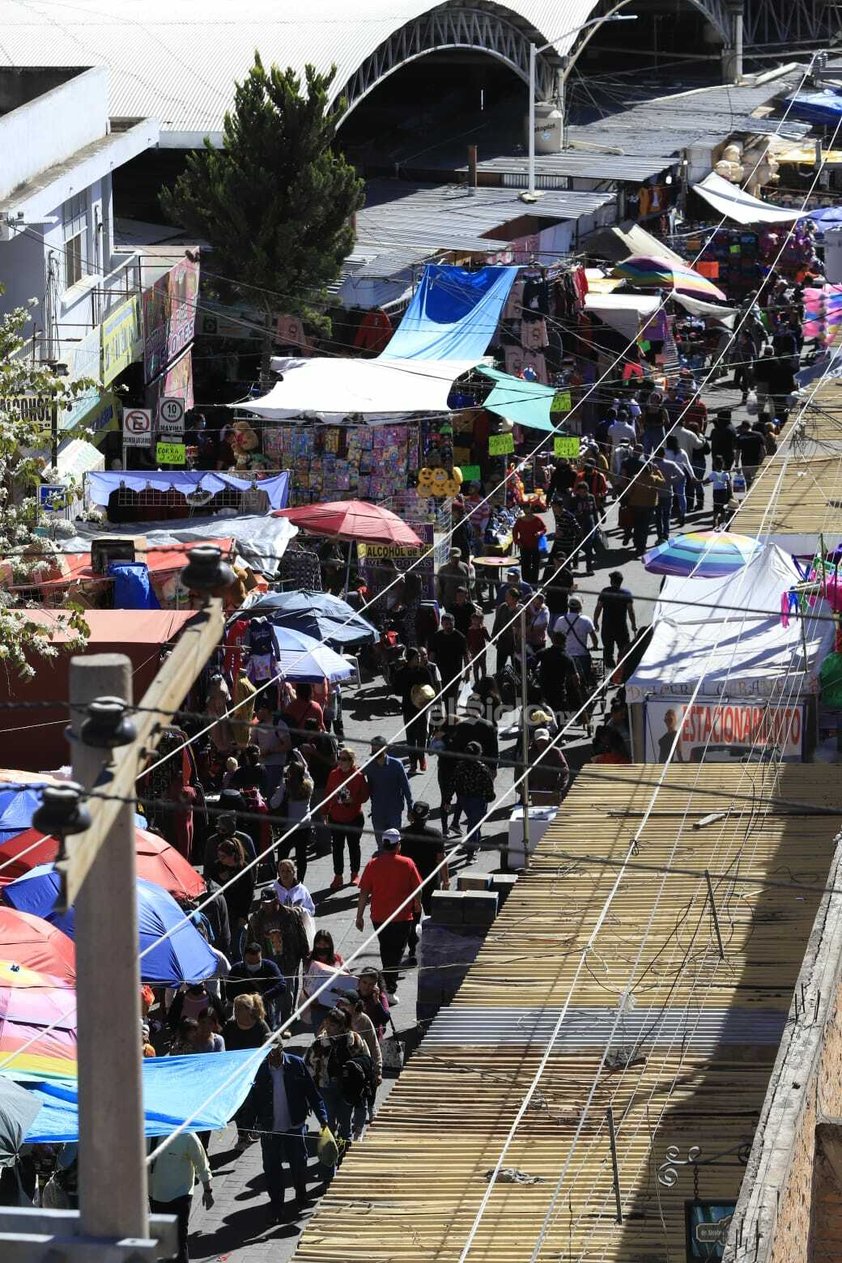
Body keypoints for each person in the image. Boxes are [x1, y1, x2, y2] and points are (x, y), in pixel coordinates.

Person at [253, 1043, 328, 1224]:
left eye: (276, 1052)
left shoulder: (296, 1064)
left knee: (299, 1163)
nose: (274, 1057)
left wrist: (322, 1117)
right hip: (270, 1128)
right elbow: (251, 1098)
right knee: (272, 1169)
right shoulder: (259, 1070)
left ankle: (301, 1194)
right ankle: (276, 1206)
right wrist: (249, 1124)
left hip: (295, 1125)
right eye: (269, 1053)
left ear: (281, 1049)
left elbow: (311, 1092)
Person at [356, 829, 422, 998]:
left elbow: (364, 892)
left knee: (386, 950)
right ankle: (389, 988)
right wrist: (417, 904)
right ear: (398, 845)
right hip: (402, 917)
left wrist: (359, 916)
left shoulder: (372, 864)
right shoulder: (408, 863)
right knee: (397, 951)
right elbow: (417, 888)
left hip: (379, 917)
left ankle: (387, 983)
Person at [304, 1008, 371, 1151]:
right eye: (326, 1024)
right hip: (326, 1088)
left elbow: (366, 1060)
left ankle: (343, 1151)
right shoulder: (319, 1043)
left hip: (348, 1089)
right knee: (328, 1122)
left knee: (345, 1121)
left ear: (342, 1026)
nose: (327, 1028)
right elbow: (309, 1065)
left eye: (332, 1025)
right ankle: (330, 1151)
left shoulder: (355, 1040)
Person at [148, 1131, 213, 1263]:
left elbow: (202, 1165)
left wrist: (208, 1191)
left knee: (179, 1240)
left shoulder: (187, 1136)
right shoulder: (148, 1132)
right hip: (154, 1194)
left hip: (180, 1196)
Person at [223, 993, 272, 1151]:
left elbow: (268, 1047)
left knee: (252, 1104)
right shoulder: (230, 1026)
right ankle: (243, 1135)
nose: (235, 1012)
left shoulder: (260, 1026)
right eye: (234, 1008)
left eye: (239, 1009)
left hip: (254, 1073)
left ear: (249, 1010)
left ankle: (251, 1128)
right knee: (240, 1105)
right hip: (235, 1072)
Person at [400, 800, 448, 957]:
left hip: (409, 883)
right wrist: (446, 880)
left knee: (413, 918)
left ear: (412, 816)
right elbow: (441, 859)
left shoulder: (403, 834)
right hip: (430, 881)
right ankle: (432, 946)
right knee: (431, 916)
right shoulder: (435, 834)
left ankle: (413, 950)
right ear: (427, 817)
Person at [324, 747, 370, 890]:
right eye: (339, 758)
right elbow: (328, 794)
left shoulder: (358, 776)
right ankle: (338, 876)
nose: (340, 762)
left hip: (353, 818)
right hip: (336, 817)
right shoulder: (333, 774)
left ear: (351, 761)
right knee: (337, 848)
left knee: (353, 847)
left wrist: (353, 800)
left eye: (344, 759)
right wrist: (324, 812)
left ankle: (354, 874)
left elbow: (365, 796)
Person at [209, 837, 254, 956]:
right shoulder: (217, 867)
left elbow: (248, 894)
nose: (220, 859)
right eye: (219, 856)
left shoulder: (244, 869)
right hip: (222, 912)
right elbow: (210, 887)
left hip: (237, 912)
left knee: (236, 945)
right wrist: (221, 881)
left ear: (233, 855)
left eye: (223, 856)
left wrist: (243, 915)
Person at [365, 735, 413, 848]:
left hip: (394, 810)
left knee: (394, 842)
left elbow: (406, 787)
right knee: (381, 844)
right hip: (377, 811)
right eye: (373, 748)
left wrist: (410, 808)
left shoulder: (396, 765)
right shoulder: (370, 766)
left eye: (377, 749)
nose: (375, 751)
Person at [393, 647, 435, 774]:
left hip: (421, 707)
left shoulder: (423, 671)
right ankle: (412, 762)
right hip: (408, 707)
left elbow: (431, 688)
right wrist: (411, 691)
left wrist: (423, 695)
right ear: (410, 659)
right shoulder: (401, 673)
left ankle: (421, 758)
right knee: (410, 736)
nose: (419, 659)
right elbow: (397, 690)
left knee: (422, 734)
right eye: (417, 657)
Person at [270, 759, 313, 880]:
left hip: (287, 827)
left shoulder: (285, 786)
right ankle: (300, 881)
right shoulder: (309, 785)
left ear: (289, 773)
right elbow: (307, 774)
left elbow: (274, 804)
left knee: (283, 856)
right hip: (304, 826)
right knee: (301, 856)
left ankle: (283, 881)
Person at [452, 740, 495, 860]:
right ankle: (471, 852)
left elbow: (454, 781)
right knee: (473, 824)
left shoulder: (460, 766)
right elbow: (488, 785)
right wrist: (490, 796)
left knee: (474, 822)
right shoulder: (481, 768)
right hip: (478, 799)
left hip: (464, 798)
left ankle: (476, 843)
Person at [227, 942, 287, 1024]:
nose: (254, 964)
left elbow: (282, 984)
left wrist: (264, 997)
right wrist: (246, 999)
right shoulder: (236, 970)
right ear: (245, 958)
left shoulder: (270, 966)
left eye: (257, 961)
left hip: (265, 1010)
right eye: (251, 962)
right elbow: (229, 992)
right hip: (243, 1012)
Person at [593, 572, 637, 670]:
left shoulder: (605, 591)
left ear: (611, 581)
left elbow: (598, 607)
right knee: (624, 650)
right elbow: (631, 611)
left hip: (607, 627)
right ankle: (622, 671)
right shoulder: (626, 594)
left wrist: (595, 621)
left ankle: (610, 673)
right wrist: (633, 625)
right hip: (621, 628)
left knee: (608, 651)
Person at [429, 612, 468, 714]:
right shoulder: (436, 637)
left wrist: (467, 672)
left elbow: (466, 655)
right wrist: (429, 669)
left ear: (454, 623)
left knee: (452, 697)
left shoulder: (460, 637)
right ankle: (446, 720)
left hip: (455, 672)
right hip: (440, 672)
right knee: (444, 697)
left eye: (450, 624)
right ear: (442, 624)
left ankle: (452, 720)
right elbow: (432, 654)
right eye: (446, 624)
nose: (448, 626)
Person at [203, 803, 256, 871]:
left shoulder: (245, 839)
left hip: (241, 876)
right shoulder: (212, 842)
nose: (221, 832)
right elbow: (208, 866)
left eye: (224, 830)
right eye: (218, 828)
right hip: (218, 877)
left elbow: (252, 864)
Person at [522, 728, 569, 804]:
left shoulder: (555, 752)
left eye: (544, 740)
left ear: (548, 739)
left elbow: (565, 771)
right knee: (538, 813)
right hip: (536, 790)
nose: (541, 743)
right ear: (534, 741)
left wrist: (559, 788)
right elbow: (519, 768)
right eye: (538, 741)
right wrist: (521, 786)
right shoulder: (529, 753)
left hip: (552, 790)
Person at [491, 586, 523, 675]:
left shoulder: (520, 610)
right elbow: (497, 622)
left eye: (508, 596)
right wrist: (494, 635)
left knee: (517, 668)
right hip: (503, 642)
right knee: (500, 667)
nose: (505, 598)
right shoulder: (503, 607)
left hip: (515, 643)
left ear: (514, 599)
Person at [511, 504, 546, 584]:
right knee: (525, 564)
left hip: (535, 545)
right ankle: (525, 582)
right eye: (526, 513)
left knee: (535, 565)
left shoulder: (537, 519)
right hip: (524, 546)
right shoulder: (520, 520)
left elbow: (544, 528)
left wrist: (539, 533)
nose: (528, 515)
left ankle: (534, 582)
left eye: (529, 513)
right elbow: (515, 531)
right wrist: (517, 542)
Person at [570, 482, 599, 574]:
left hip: (589, 523)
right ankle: (575, 562)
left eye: (584, 491)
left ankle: (589, 568)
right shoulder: (574, 499)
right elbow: (571, 511)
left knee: (588, 546)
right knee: (577, 543)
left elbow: (594, 511)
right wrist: (575, 513)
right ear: (577, 491)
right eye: (580, 491)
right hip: (578, 523)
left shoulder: (591, 497)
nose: (582, 493)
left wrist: (597, 524)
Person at [735, 420, 767, 488]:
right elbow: (763, 450)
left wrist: (736, 464)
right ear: (750, 426)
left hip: (745, 463)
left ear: (743, 427)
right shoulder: (759, 435)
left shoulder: (740, 437)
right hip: (756, 463)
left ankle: (748, 495)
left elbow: (737, 452)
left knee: (748, 482)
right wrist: (764, 462)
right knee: (756, 481)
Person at [706, 456, 733, 528]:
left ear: (714, 465)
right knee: (723, 508)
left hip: (716, 493)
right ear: (723, 464)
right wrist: (731, 494)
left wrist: (698, 482)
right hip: (724, 492)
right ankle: (722, 522)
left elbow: (706, 481)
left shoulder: (713, 474)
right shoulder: (725, 474)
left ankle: (715, 522)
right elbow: (729, 484)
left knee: (716, 507)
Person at [466, 612, 491, 683]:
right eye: (473, 619)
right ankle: (476, 681)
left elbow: (488, 638)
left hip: (482, 650)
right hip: (473, 651)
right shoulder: (470, 630)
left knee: (483, 665)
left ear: (480, 620)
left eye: (476, 619)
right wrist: (467, 650)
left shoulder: (483, 629)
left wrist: (494, 642)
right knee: (475, 666)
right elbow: (468, 641)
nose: (474, 621)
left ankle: (484, 679)